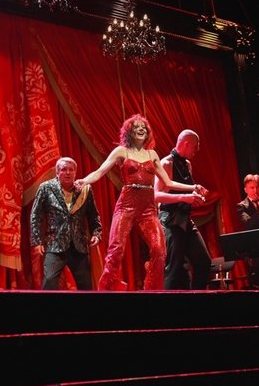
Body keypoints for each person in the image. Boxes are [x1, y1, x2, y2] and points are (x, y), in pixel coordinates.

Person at [75, 114, 207, 291]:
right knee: (116, 250)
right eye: (136, 127)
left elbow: (168, 182)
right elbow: (100, 171)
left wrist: (193, 187)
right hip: (127, 205)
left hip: (148, 208)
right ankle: (107, 289)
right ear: (129, 131)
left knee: (159, 250)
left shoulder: (152, 154)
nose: (141, 129)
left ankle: (152, 290)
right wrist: (84, 181)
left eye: (144, 127)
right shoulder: (121, 151)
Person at [30, 157, 103, 290]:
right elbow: (36, 215)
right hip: (55, 244)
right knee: (49, 281)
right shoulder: (46, 188)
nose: (68, 173)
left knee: (86, 285)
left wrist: (96, 233)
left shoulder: (84, 189)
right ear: (57, 172)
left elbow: (93, 215)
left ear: (75, 172)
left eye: (71, 170)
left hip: (78, 245)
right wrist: (37, 241)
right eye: (64, 169)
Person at [157, 130, 212, 290]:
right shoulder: (166, 164)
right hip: (170, 220)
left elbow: (187, 193)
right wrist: (184, 198)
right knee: (174, 269)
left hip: (186, 219)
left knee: (203, 262)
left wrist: (196, 198)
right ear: (186, 144)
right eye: (195, 146)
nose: (197, 149)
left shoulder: (187, 164)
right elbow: (156, 195)